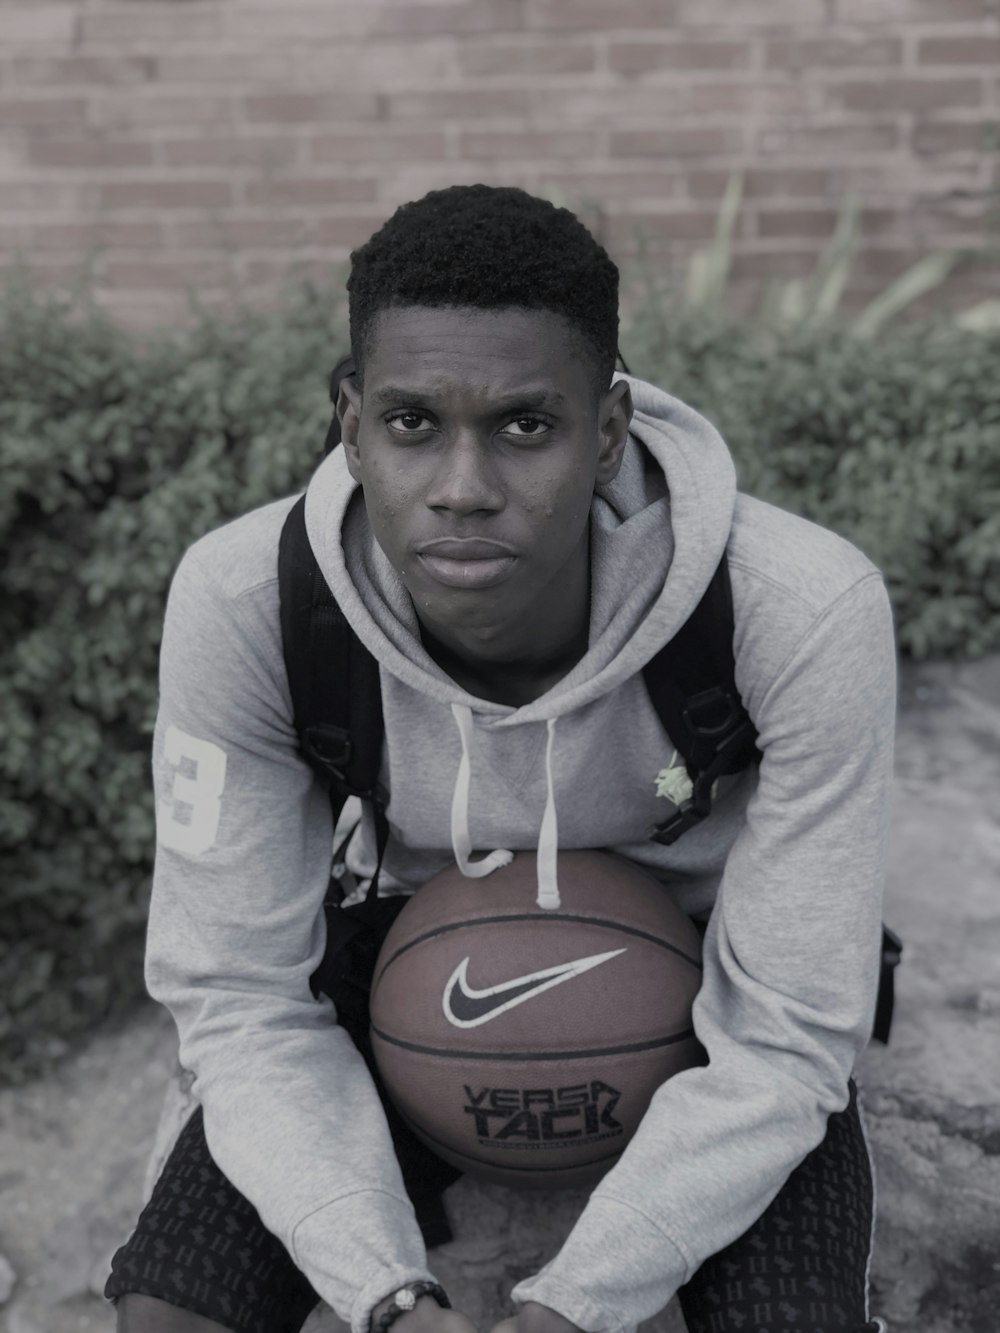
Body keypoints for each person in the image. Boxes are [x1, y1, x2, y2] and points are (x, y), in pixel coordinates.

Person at [107, 185, 894, 1333]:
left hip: (700, 989)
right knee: (167, 1319)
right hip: (406, 961)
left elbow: (785, 1030)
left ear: (610, 427)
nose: (464, 489)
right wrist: (383, 1293)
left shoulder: (799, 608)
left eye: (525, 425)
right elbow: (235, 993)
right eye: (412, 422)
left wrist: (575, 1306)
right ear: (351, 420)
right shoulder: (248, 602)